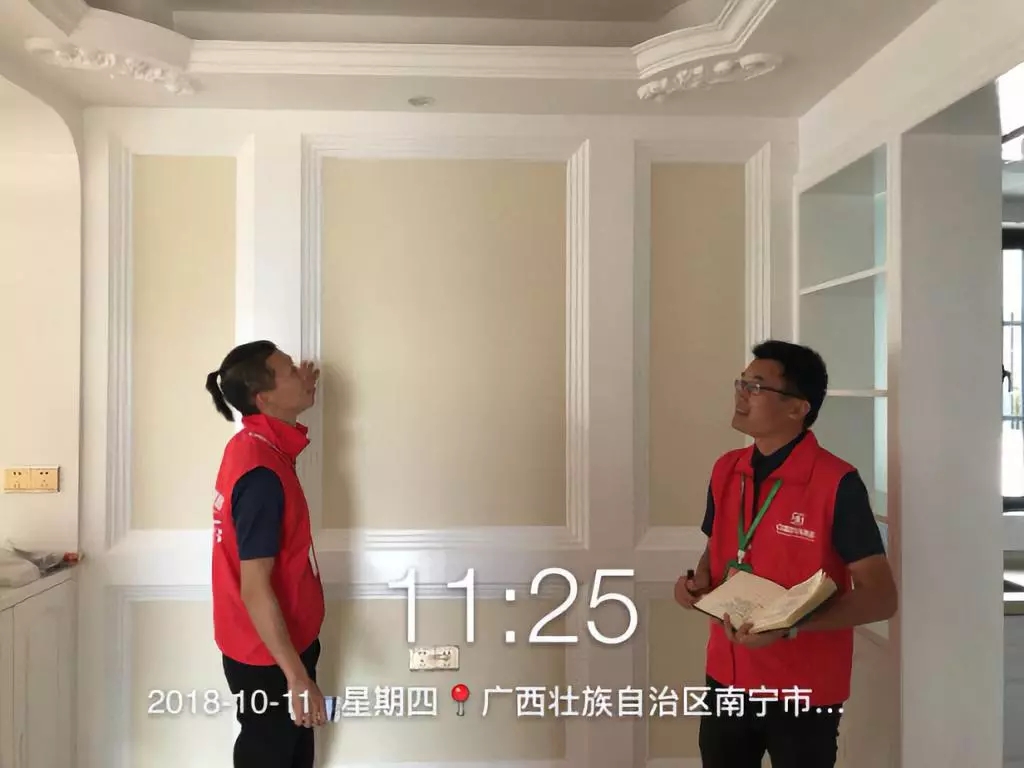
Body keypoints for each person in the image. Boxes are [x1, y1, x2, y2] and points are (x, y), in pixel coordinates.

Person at [674, 340, 897, 768]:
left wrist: (789, 626)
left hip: (802, 690)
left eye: (756, 386)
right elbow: (716, 546)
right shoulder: (727, 469)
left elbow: (881, 597)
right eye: (741, 382)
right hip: (727, 677)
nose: (742, 394)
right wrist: (697, 582)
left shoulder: (837, 482)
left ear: (798, 408)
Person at [206, 340, 328, 768]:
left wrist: (296, 392)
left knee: (290, 753)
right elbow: (255, 587)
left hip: (271, 644)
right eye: (290, 370)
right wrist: (296, 677)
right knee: (272, 754)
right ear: (264, 398)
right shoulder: (261, 474)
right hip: (270, 656)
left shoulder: (252, 446)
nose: (303, 374)